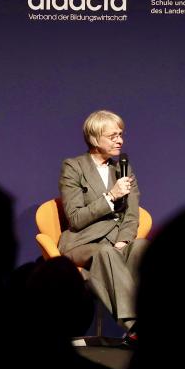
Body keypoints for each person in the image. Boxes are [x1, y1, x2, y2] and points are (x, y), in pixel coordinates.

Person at [58, 109, 147, 338]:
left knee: (141, 247)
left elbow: (132, 214)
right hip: (82, 242)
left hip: (115, 242)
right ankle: (135, 326)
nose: (120, 140)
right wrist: (110, 197)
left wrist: (124, 240)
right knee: (105, 253)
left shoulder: (123, 170)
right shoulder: (74, 167)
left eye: (121, 134)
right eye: (113, 136)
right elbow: (75, 219)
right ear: (95, 139)